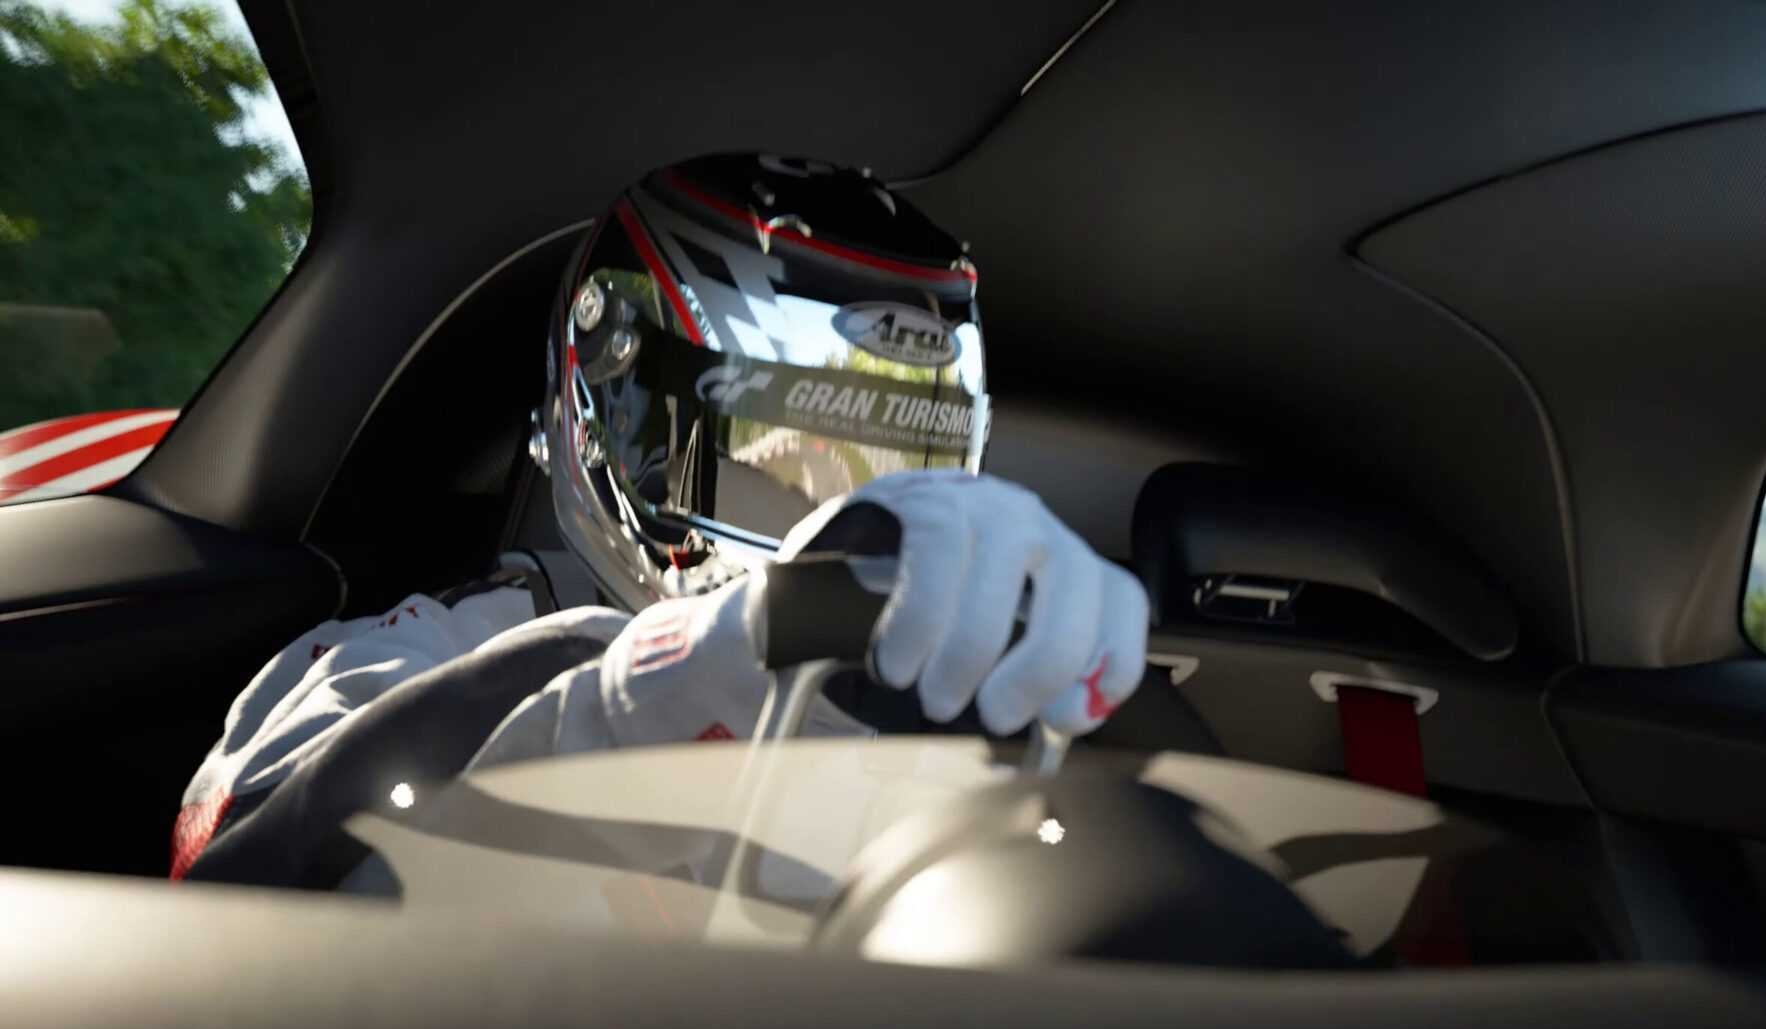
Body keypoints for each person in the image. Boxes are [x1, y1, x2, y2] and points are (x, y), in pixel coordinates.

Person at [170, 154, 1150, 886]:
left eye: (891, 466)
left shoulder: (964, 707)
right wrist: (679, 677)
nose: (834, 509)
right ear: (605, 400)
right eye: (774, 452)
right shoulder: (413, 658)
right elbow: (229, 902)